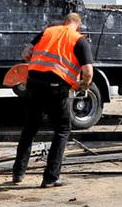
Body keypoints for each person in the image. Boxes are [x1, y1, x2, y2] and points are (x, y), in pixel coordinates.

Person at [13, 12, 95, 187]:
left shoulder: (47, 32)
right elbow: (88, 72)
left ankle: (18, 173)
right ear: (78, 25)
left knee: (29, 129)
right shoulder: (79, 40)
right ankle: (51, 177)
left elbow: (25, 53)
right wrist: (84, 85)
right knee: (62, 129)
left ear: (64, 22)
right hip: (56, 87)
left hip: (34, 83)